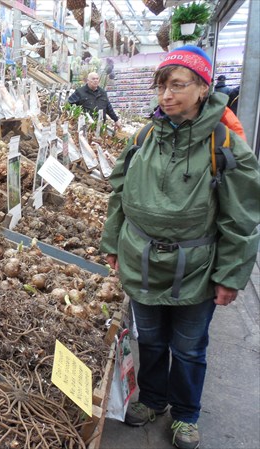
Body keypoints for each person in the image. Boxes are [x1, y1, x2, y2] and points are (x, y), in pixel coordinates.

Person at [100, 45, 260, 449]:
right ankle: (153, 400)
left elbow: (240, 217)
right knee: (150, 339)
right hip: (142, 260)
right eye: (161, 87)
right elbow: (119, 195)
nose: (166, 95)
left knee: (189, 347)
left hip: (197, 266)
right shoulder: (144, 137)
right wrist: (113, 244)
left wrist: (230, 275)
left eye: (177, 86)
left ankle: (186, 414)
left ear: (203, 88)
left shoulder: (224, 144)